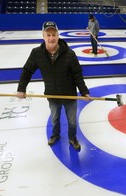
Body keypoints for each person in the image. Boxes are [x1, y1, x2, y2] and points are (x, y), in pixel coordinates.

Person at [16, 21, 90, 151]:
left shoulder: (69, 54)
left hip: (69, 96)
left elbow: (77, 74)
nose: (51, 38)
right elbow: (27, 71)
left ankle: (72, 138)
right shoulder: (37, 53)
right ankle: (55, 135)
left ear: (58, 35)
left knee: (72, 121)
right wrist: (21, 88)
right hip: (52, 94)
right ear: (43, 36)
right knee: (55, 119)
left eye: (54, 34)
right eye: (48, 35)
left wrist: (84, 92)